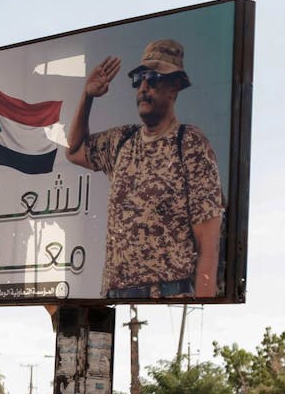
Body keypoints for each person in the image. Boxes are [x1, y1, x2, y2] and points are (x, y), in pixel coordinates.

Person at [66, 39, 223, 299]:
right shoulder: (122, 142)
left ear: (174, 88)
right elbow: (73, 150)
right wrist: (87, 96)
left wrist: (206, 303)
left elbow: (208, 242)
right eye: (139, 79)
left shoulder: (190, 144)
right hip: (116, 296)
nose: (144, 87)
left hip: (166, 297)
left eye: (153, 78)